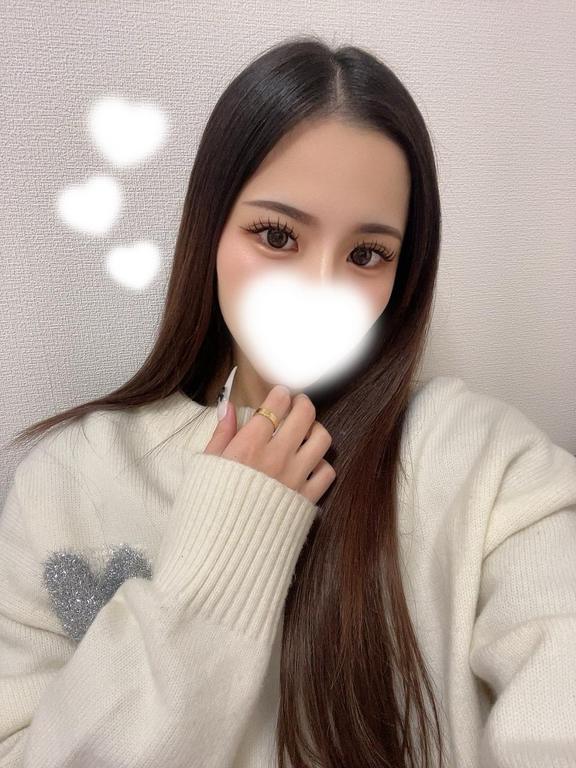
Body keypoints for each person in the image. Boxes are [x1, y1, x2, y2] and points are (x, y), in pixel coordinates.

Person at [2, 34, 576, 768]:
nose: (318, 289)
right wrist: (223, 553)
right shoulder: (69, 479)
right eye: (277, 236)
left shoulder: (485, 462)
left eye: (367, 254)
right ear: (210, 230)